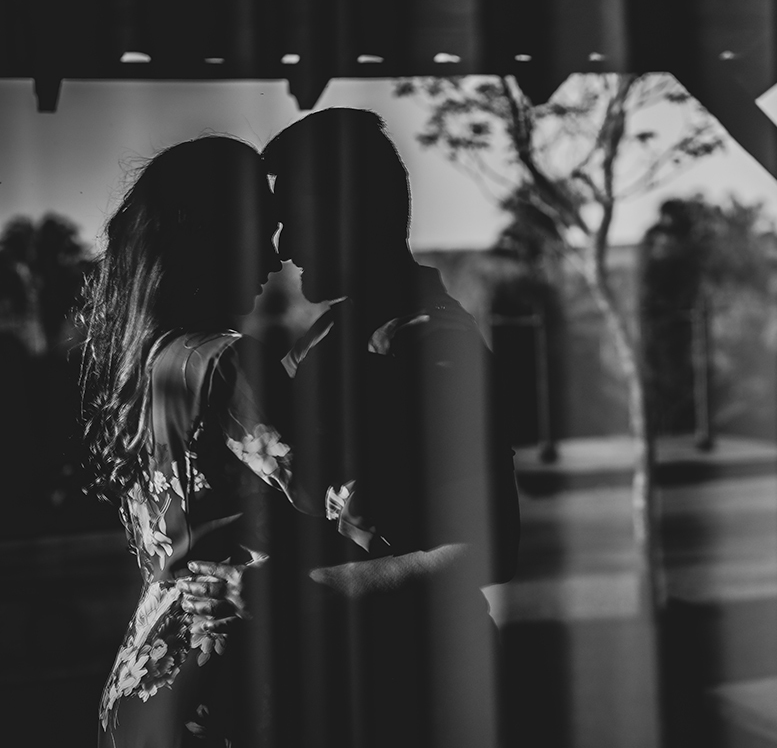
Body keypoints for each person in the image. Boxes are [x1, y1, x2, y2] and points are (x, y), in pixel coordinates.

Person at [256, 107, 521, 748]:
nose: (283, 247)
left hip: (423, 689)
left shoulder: (435, 348)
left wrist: (312, 591)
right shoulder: (324, 337)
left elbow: (492, 546)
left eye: (295, 218)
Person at [80, 136, 328, 747]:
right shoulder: (226, 362)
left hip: (141, 681)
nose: (274, 259)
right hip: (220, 689)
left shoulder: (146, 364)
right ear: (212, 237)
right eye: (262, 231)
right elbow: (338, 501)